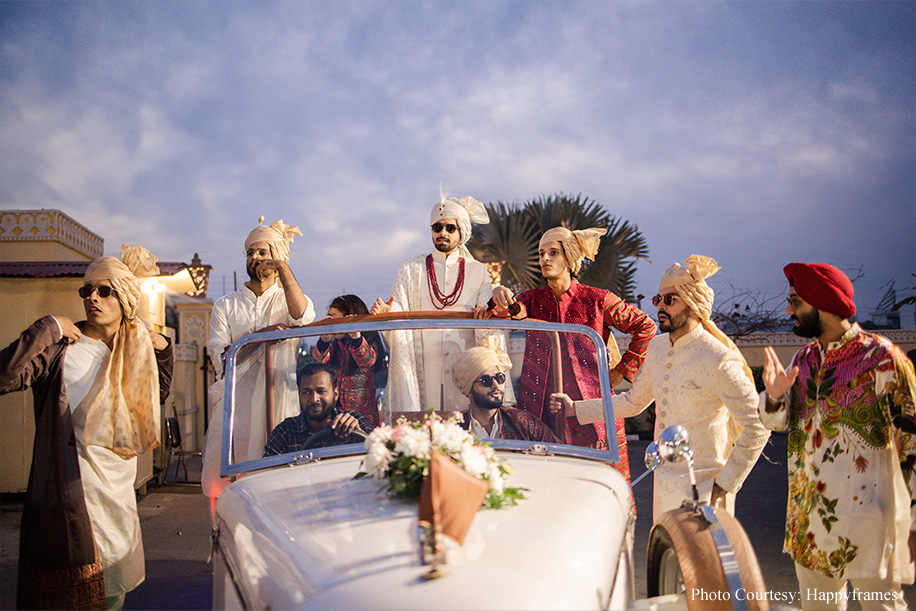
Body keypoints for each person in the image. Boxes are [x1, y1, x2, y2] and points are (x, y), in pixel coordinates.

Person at [0, 245, 173, 610]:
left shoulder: (135, 350)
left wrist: (162, 349)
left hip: (117, 493)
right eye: (87, 290)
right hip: (69, 494)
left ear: (124, 298)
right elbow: (5, 376)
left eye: (104, 290)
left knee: (113, 591)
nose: (92, 297)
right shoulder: (63, 347)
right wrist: (47, 328)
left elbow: (157, 394)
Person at [551, 255, 769, 521]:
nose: (660, 306)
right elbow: (633, 402)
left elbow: (757, 426)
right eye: (658, 300)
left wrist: (724, 485)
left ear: (693, 302)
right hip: (664, 487)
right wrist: (576, 409)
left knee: (699, 563)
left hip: (704, 489)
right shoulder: (657, 348)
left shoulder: (718, 358)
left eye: (670, 300)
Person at [760, 262, 916, 611]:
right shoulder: (804, 359)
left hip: (868, 525)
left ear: (822, 303)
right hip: (808, 526)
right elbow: (779, 424)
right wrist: (773, 396)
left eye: (796, 301)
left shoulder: (883, 359)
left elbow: (913, 444)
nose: (789, 310)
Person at [489, 226, 656, 484]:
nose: (544, 259)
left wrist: (622, 371)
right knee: (547, 490)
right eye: (541, 253)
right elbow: (509, 312)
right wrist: (501, 298)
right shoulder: (531, 299)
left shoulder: (597, 300)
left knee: (604, 489)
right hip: (544, 414)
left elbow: (645, 327)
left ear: (569, 258)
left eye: (553, 253)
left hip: (593, 413)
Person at [202, 216, 316, 499]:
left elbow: (302, 317)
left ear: (277, 257)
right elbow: (222, 358)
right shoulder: (225, 305)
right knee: (230, 487)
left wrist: (283, 269)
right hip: (235, 406)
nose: (255, 258)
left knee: (281, 485)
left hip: (280, 402)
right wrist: (260, 337)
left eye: (263, 252)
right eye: (251, 252)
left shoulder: (288, 298)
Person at [370, 190, 495, 417]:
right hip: (421, 369)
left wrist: (487, 313)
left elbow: (488, 317)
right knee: (420, 434)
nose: (443, 233)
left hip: (464, 373)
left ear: (462, 231)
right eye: (437, 228)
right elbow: (399, 306)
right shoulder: (410, 269)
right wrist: (390, 311)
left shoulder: (479, 271)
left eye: (450, 228)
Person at [452, 346, 560, 443]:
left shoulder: (522, 422)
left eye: (499, 378)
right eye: (486, 380)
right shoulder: (455, 429)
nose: (496, 385)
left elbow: (557, 453)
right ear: (469, 390)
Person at [264, 362, 373, 455]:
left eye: (321, 391)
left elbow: (383, 453)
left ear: (335, 394)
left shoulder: (354, 420)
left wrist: (359, 433)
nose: (314, 399)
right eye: (307, 392)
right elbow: (266, 472)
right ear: (299, 394)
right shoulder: (286, 431)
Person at [311, 294, 387, 428]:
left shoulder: (368, 338)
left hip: (362, 412)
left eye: (335, 318)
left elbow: (367, 360)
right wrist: (324, 340)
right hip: (334, 412)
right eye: (330, 317)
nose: (332, 322)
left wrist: (356, 337)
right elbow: (320, 359)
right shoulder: (335, 343)